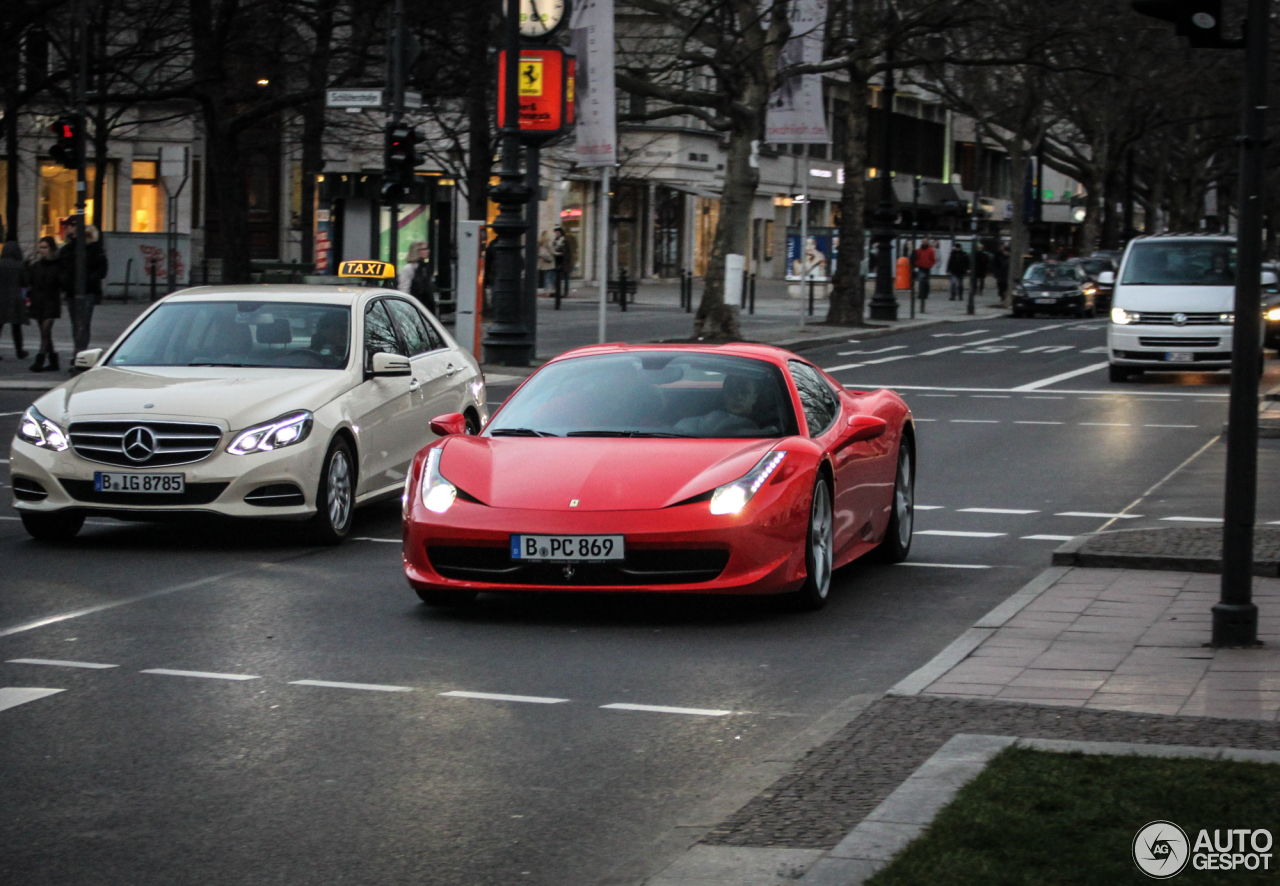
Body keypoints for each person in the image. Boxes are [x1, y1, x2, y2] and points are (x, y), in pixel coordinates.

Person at [61, 223, 108, 365]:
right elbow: (63, 268)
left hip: (87, 291)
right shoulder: (69, 249)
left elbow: (102, 269)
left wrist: (89, 279)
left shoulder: (94, 249)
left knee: (83, 323)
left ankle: (79, 353)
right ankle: (79, 352)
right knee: (77, 323)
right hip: (73, 291)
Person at [673, 373, 762, 437]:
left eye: (744, 391)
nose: (738, 397)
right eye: (731, 391)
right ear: (724, 395)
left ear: (754, 397)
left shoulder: (768, 427)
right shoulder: (706, 422)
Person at [25, 236, 62, 372]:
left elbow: (60, 283)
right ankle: (53, 361)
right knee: (45, 333)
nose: (42, 250)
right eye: (41, 247)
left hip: (51, 302)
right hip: (38, 302)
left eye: (45, 247)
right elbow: (30, 283)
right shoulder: (36, 266)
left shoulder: (57, 265)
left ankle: (39, 360)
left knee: (45, 331)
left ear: (51, 248)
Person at [0, 241, 30, 361]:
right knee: (16, 327)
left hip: (1, 297)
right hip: (15, 298)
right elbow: (25, 282)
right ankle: (19, 350)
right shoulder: (20, 265)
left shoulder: (0, 264)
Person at [398, 241, 437, 316]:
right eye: (424, 249)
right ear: (416, 251)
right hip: (415, 304)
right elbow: (404, 289)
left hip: (427, 305)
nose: (428, 251)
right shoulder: (409, 268)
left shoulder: (425, 267)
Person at [911, 238, 936, 305]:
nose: (924, 242)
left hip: (927, 268)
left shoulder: (930, 250)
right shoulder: (918, 250)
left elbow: (933, 259)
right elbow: (915, 258)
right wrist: (917, 264)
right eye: (923, 241)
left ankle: (925, 293)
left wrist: (930, 264)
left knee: (926, 281)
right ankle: (921, 294)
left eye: (925, 241)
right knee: (921, 281)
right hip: (921, 267)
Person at [551, 227, 570, 299]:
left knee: (565, 278)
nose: (557, 234)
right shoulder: (555, 241)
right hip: (557, 261)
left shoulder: (565, 241)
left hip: (564, 261)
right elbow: (553, 250)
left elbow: (568, 252)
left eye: (558, 233)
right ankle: (557, 291)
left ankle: (565, 292)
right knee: (556, 277)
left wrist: (568, 261)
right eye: (556, 233)